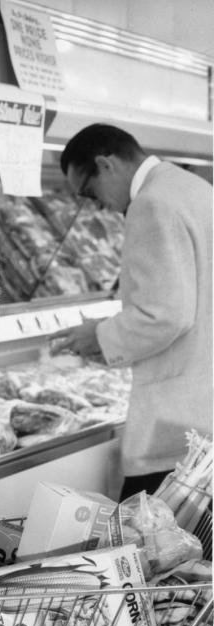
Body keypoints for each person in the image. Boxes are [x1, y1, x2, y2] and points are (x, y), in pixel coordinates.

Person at [51, 123, 212, 500]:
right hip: (205, 407)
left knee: (144, 539)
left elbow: (166, 314)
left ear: (105, 165)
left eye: (89, 194)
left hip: (175, 423)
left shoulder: (151, 203)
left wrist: (99, 336)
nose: (99, 205)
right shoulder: (195, 189)